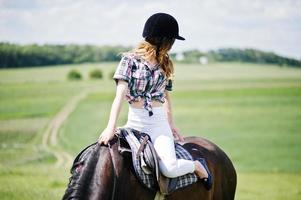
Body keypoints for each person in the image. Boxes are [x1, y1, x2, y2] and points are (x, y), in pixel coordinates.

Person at [98, 12, 212, 190]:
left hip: (158, 125)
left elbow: (165, 96)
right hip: (134, 124)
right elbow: (119, 96)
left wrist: (171, 123)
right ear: (164, 41)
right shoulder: (129, 61)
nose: (171, 46)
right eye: (171, 41)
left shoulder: (165, 63)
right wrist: (110, 128)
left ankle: (196, 166)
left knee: (169, 168)